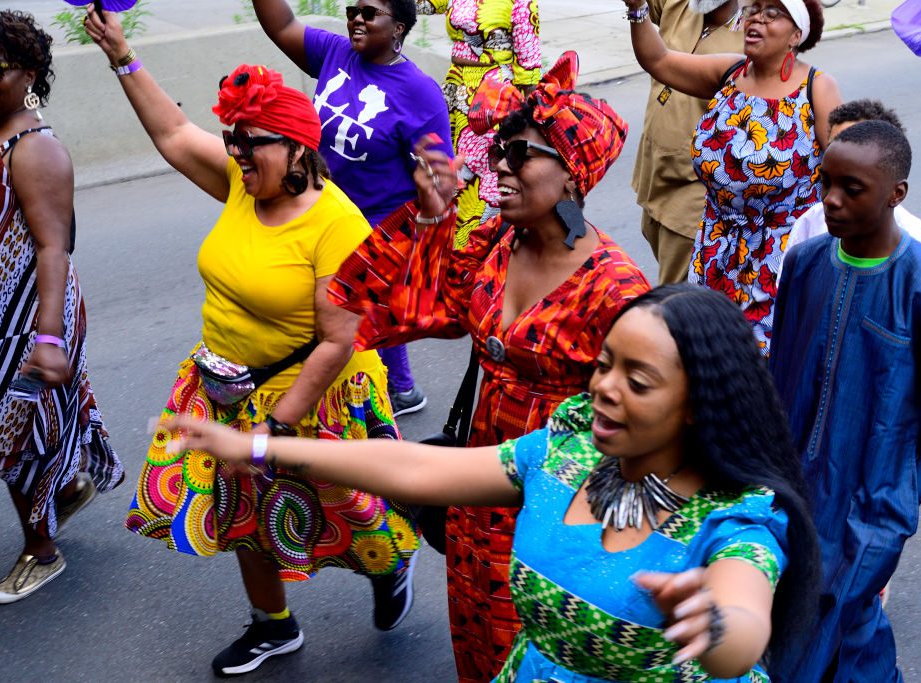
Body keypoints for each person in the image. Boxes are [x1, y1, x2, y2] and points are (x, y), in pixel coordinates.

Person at [167, 284, 821, 683]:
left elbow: (743, 619)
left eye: (638, 379)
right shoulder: (568, 449)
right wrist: (264, 446)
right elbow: (420, 468)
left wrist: (712, 622)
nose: (603, 387)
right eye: (603, 365)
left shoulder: (738, 516)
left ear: (697, 404)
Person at [84, 10, 421, 677]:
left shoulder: (336, 224)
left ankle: (392, 566)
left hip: (313, 394)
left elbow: (335, 340)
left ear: (300, 149)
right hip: (223, 382)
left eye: (252, 141)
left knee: (350, 514)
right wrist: (122, 53)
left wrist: (272, 429)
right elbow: (175, 131)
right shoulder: (244, 183)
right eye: (233, 138)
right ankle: (274, 625)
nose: (237, 151)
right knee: (243, 510)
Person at [329, 52, 649, 682]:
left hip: (558, 507)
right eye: (500, 149)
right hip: (477, 495)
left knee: (541, 657)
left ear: (573, 177)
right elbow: (400, 308)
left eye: (521, 153)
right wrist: (427, 218)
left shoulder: (617, 291)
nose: (498, 164)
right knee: (476, 647)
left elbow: (648, 432)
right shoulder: (498, 245)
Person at [769, 121, 921, 682]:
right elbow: (781, 369)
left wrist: (902, 491)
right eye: (826, 183)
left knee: (824, 624)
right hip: (787, 488)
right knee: (818, 632)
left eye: (852, 188)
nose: (831, 200)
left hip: (870, 506)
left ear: (896, 194)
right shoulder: (805, 262)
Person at [0, 9, 124, 604]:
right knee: (18, 425)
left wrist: (48, 340)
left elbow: (53, 247)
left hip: (23, 315)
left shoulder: (34, 150)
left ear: (27, 75)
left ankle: (42, 552)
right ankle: (65, 488)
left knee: (15, 433)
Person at [250, 0, 455, 417]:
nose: (356, 18)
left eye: (369, 11)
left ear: (398, 27)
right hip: (323, 210)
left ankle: (376, 397)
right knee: (348, 314)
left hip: (376, 225)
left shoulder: (418, 91)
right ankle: (401, 390)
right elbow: (282, 23)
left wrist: (421, 225)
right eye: (352, 9)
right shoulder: (335, 53)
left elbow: (442, 177)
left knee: (349, 314)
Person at [624, 0, 841, 352]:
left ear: (796, 35)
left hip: (777, 265)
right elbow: (658, 60)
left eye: (772, 13)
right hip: (715, 253)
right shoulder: (730, 72)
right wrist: (636, 12)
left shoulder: (817, 88)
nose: (757, 18)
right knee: (704, 361)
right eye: (753, 9)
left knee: (762, 372)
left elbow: (845, 171)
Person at [631, 0, 743, 285]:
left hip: (692, 200)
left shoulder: (752, 37)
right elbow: (644, 17)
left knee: (675, 305)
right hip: (654, 181)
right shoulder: (682, 5)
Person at [415, 0, 541, 246]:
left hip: (493, 99)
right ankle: (450, 248)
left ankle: (476, 250)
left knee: (483, 180)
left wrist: (530, 122)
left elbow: (529, 65)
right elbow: (420, 5)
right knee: (452, 174)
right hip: (456, 92)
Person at [784, 99, 921, 261]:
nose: (839, 156)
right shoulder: (809, 226)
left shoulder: (914, 238)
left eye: (854, 149)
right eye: (833, 146)